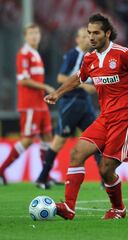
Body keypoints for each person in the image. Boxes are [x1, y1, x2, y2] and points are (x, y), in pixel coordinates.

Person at [44, 13, 128, 220]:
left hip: (125, 117)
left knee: (105, 169)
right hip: (105, 118)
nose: (91, 37)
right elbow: (77, 78)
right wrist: (58, 93)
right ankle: (68, 207)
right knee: (76, 153)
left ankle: (118, 209)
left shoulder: (124, 54)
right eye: (89, 33)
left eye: (96, 33)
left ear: (107, 33)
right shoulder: (90, 58)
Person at [35, 27, 102, 189]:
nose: (89, 39)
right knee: (59, 141)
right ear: (77, 40)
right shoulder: (73, 55)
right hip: (70, 103)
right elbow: (60, 77)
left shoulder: (92, 57)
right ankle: (42, 177)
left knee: (97, 140)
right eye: (85, 37)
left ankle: (105, 179)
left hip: (85, 104)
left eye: (90, 36)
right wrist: (85, 86)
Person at [0, 24, 55, 185]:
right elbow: (23, 80)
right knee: (28, 139)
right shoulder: (23, 54)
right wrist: (45, 87)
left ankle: (45, 175)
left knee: (47, 137)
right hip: (30, 104)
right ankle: (1, 170)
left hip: (40, 104)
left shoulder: (35, 53)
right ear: (25, 36)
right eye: (31, 33)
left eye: (37, 33)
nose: (34, 36)